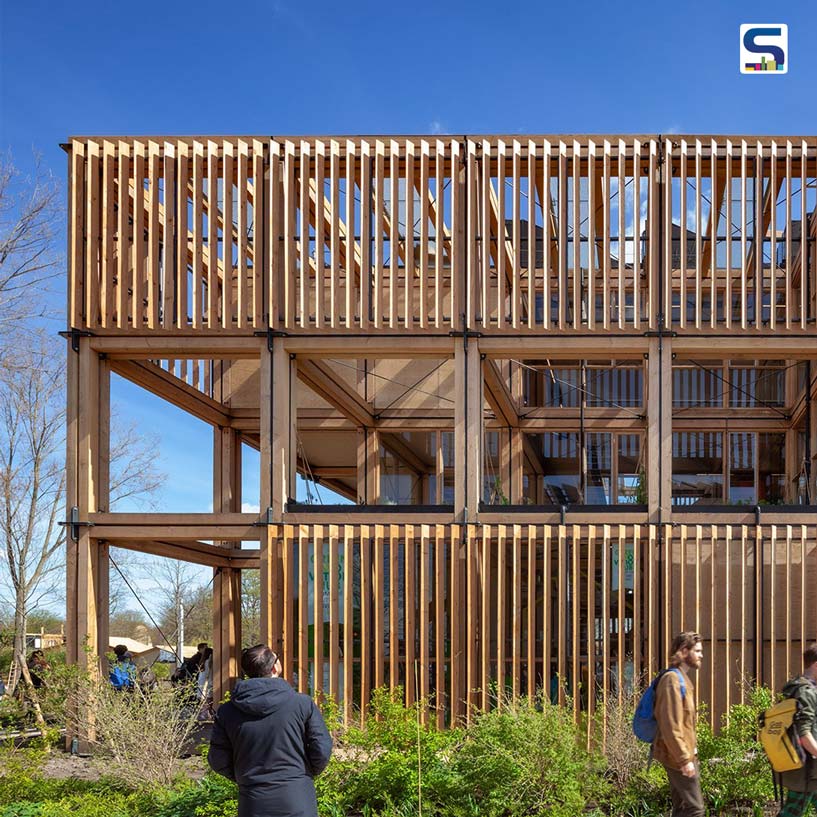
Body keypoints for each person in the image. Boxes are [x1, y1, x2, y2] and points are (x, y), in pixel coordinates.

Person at [208, 644, 333, 817]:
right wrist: (303, 774)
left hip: (252, 801)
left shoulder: (228, 711)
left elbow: (218, 759)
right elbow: (322, 748)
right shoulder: (301, 704)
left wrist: (244, 777)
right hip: (297, 798)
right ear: (275, 667)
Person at [653, 631, 705, 817]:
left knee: (683, 809)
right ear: (684, 651)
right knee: (695, 809)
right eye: (697, 651)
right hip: (677, 758)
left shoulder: (682, 680)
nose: (701, 655)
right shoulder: (672, 681)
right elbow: (670, 724)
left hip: (682, 755)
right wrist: (684, 760)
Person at [777, 643, 817, 817]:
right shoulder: (806, 692)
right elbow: (803, 733)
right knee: (791, 813)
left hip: (803, 766)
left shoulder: (796, 688)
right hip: (806, 769)